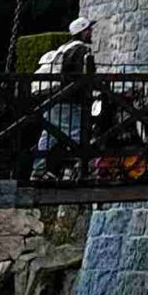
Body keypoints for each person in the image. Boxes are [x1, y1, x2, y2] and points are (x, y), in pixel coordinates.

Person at [34, 18, 94, 180]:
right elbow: (78, 78)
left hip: (53, 97)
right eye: (89, 29)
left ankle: (38, 170)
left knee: (48, 136)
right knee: (77, 135)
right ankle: (80, 170)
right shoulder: (80, 50)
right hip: (69, 100)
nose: (91, 32)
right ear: (82, 31)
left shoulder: (63, 48)